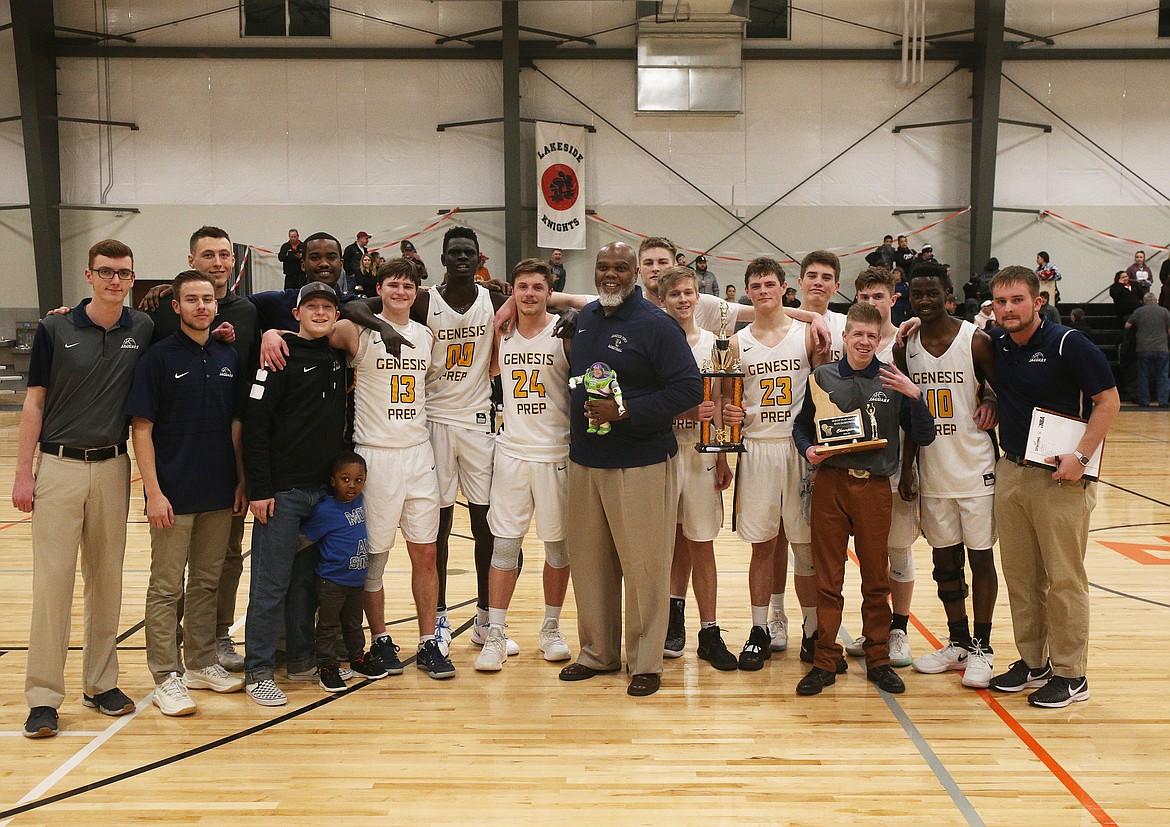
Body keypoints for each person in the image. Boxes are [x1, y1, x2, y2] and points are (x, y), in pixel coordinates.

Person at [15, 239, 153, 738]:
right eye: (106, 272)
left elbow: (195, 320)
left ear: (133, 279)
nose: (115, 280)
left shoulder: (143, 327)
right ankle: (44, 697)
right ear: (89, 276)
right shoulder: (56, 327)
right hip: (59, 466)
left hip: (114, 467)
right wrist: (23, 471)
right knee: (53, 586)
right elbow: (33, 403)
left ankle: (100, 684)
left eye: (123, 272)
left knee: (107, 580)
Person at [557, 241, 702, 697]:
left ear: (637, 274)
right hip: (586, 461)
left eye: (620, 267)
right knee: (590, 562)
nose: (610, 275)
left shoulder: (656, 325)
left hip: (639, 462)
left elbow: (688, 390)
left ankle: (645, 661)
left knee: (644, 566)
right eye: (603, 267)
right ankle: (598, 652)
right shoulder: (587, 321)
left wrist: (625, 411)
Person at [985, 265, 1119, 707]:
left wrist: (1081, 457)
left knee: (1064, 579)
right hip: (1011, 471)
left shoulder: (1068, 343)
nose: (1008, 309)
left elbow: (1108, 401)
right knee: (1022, 578)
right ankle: (1033, 662)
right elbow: (999, 388)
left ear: (1037, 302)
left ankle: (1070, 673)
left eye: (1017, 300)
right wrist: (990, 400)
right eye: (1001, 301)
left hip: (1061, 479)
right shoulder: (998, 344)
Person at [792, 302, 935, 697]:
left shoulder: (892, 380)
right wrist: (808, 451)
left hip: (874, 487)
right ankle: (824, 660)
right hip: (831, 484)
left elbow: (924, 436)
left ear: (879, 339)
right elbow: (802, 428)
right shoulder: (821, 376)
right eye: (858, 334)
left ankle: (878, 660)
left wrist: (916, 396)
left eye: (872, 336)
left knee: (876, 580)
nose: (865, 342)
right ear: (846, 336)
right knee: (828, 578)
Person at [126, 271, 246, 715]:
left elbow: (236, 425)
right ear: (175, 306)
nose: (201, 306)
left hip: (217, 492)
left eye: (208, 299)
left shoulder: (228, 355)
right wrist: (153, 493)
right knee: (165, 587)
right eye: (191, 300)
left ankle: (199, 662)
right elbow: (141, 428)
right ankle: (165, 676)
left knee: (207, 582)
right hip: (172, 495)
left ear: (217, 305)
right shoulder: (157, 359)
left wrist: (239, 480)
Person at [327, 258, 452, 679]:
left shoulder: (426, 336)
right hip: (375, 455)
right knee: (374, 559)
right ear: (379, 288)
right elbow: (332, 315)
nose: (401, 292)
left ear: (417, 292)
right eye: (393, 285)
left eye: (408, 286)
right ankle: (380, 639)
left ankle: (428, 641)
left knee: (427, 553)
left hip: (418, 453)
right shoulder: (357, 331)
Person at [146, 226, 259, 674]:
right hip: (176, 468)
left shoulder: (247, 313)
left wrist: (244, 476)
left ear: (234, 261)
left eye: (224, 255)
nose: (217, 262)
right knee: (169, 579)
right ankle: (167, 661)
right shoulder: (159, 317)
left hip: (224, 469)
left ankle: (211, 642)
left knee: (218, 567)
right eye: (207, 254)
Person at [242, 281, 348, 706]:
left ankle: (301, 658)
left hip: (321, 494)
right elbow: (255, 427)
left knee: (306, 583)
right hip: (282, 492)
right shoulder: (276, 355)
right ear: (297, 313)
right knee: (270, 584)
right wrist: (260, 489)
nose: (320, 313)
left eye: (328, 307)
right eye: (312, 307)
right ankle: (259, 670)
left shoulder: (338, 356)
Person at [897, 264, 1000, 690]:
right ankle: (957, 642)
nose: (925, 300)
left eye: (932, 293)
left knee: (980, 558)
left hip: (975, 465)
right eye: (917, 293)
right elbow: (906, 413)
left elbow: (1002, 390)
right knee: (944, 560)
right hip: (932, 468)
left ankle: (983, 646)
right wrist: (906, 467)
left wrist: (992, 398)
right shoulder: (907, 347)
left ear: (948, 293)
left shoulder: (975, 340)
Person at [720, 258, 822, 670]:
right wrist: (728, 431)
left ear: (784, 288)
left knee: (805, 547)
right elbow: (726, 400)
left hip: (798, 449)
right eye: (755, 285)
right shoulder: (735, 342)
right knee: (762, 546)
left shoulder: (807, 335)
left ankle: (813, 631)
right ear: (747, 290)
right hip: (757, 448)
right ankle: (760, 628)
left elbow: (823, 393)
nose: (763, 291)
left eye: (769, 284)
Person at [475, 259, 574, 671]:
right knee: (504, 546)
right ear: (511, 292)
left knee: (557, 548)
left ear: (549, 292)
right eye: (522, 287)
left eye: (537, 287)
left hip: (556, 453)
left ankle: (551, 627)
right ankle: (495, 633)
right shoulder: (502, 332)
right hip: (512, 452)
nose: (529, 294)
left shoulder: (565, 332)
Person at [842, 267, 923, 669]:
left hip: (897, 464)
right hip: (857, 466)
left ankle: (899, 630)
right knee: (870, 556)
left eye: (878, 296)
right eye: (864, 296)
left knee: (898, 550)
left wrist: (908, 469)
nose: (871, 303)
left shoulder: (908, 341)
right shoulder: (853, 337)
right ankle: (873, 628)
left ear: (893, 298)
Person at [655, 265, 735, 671]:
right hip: (664, 451)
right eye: (675, 295)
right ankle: (670, 622)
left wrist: (722, 456)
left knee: (702, 542)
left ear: (697, 297)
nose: (683, 300)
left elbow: (720, 400)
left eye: (689, 293)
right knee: (669, 543)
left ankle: (710, 629)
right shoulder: (654, 342)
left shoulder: (713, 344)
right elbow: (649, 401)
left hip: (702, 452)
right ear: (662, 300)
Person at [301, 452, 384, 692]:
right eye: (345, 479)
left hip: (356, 579)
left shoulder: (360, 502)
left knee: (354, 623)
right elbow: (305, 537)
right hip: (332, 581)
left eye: (359, 480)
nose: (352, 485)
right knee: (328, 626)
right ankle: (327, 666)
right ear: (333, 481)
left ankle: (357, 659)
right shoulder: (325, 510)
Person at [1125, 292, 1170, 406]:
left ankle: (1144, 401)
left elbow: (1127, 325)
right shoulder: (1164, 311)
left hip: (1143, 348)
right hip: (1162, 348)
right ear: (1156, 300)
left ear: (1144, 301)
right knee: (1163, 375)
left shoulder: (1139, 311)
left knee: (1143, 375)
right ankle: (1163, 401)